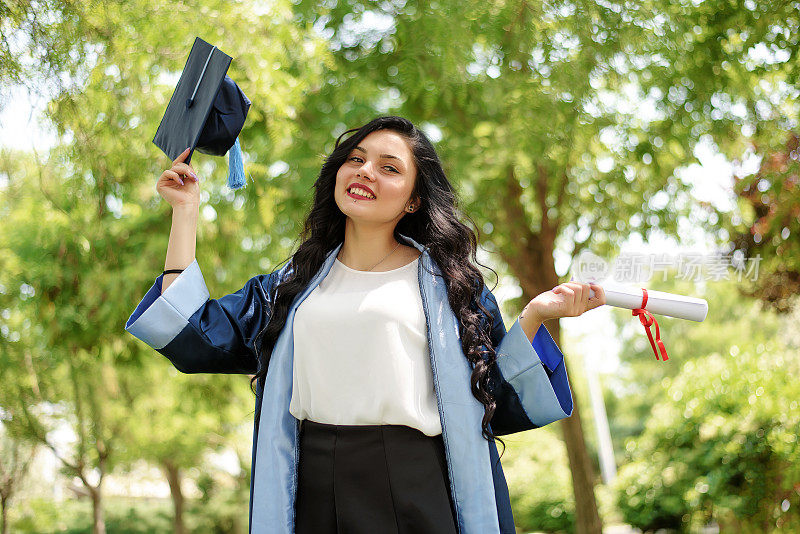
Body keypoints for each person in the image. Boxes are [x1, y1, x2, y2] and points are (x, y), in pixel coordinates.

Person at [125, 115, 606, 534]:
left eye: (389, 167)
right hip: (310, 483)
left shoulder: (451, 289)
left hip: (414, 484)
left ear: (414, 200)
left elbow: (497, 397)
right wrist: (185, 214)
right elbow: (192, 333)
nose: (364, 171)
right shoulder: (290, 287)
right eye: (355, 159)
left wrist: (536, 316)